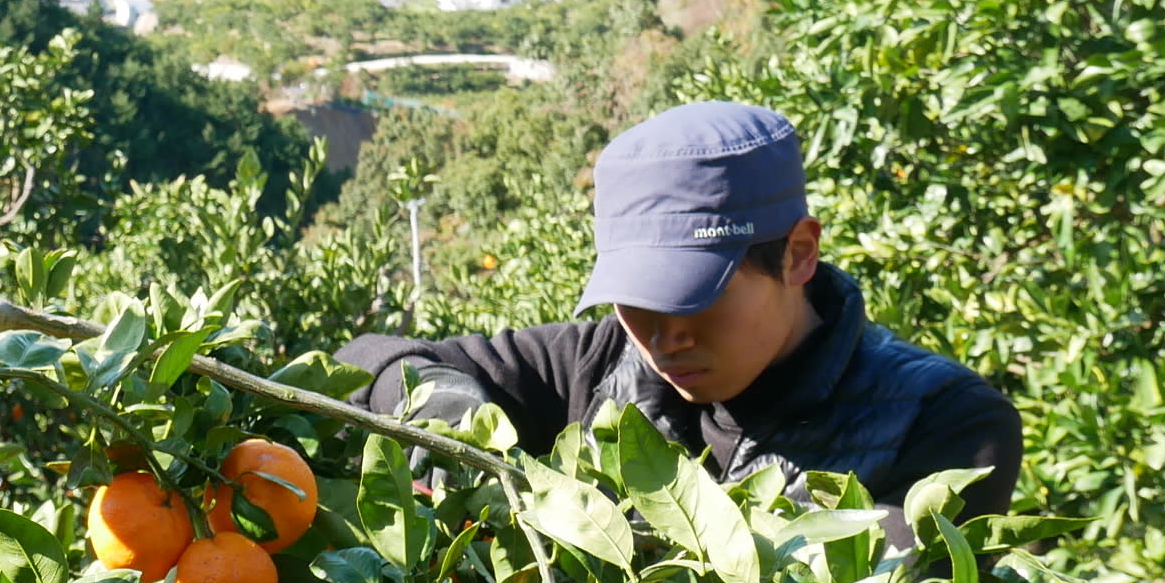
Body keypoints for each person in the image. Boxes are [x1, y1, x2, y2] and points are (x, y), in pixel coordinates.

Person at [340, 101, 1020, 528]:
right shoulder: (600, 364)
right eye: (638, 298)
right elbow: (370, 360)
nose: (664, 336)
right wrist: (459, 431)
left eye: (694, 294)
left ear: (798, 255)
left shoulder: (945, 420)